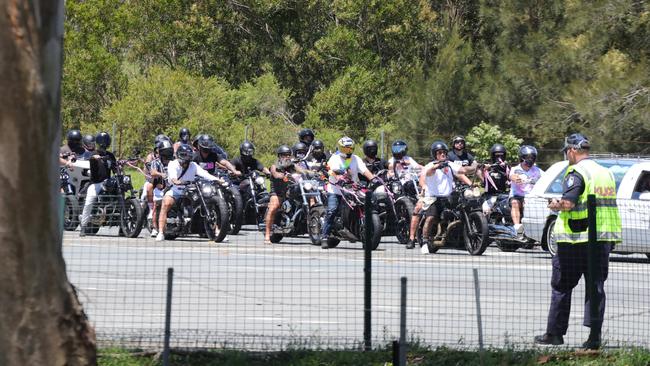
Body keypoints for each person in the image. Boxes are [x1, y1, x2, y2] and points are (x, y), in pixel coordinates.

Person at [535, 133, 621, 350]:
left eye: (566, 152)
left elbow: (569, 203)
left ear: (572, 150)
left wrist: (555, 204)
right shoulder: (605, 173)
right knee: (595, 288)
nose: (566, 156)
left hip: (575, 241)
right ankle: (594, 337)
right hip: (601, 239)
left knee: (561, 286)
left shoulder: (576, 172)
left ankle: (554, 333)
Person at [405, 141, 470, 250]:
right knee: (419, 209)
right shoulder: (429, 166)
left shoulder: (450, 165)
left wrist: (473, 176)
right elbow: (425, 177)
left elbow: (461, 172)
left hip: (448, 196)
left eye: (444, 152)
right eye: (440, 153)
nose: (443, 154)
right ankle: (412, 238)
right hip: (431, 196)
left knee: (464, 205)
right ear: (435, 154)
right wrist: (425, 186)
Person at [321, 137, 379, 249]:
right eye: (345, 148)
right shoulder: (335, 158)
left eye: (350, 148)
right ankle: (325, 236)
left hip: (352, 189)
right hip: (336, 189)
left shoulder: (356, 158)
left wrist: (373, 179)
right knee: (332, 210)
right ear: (340, 148)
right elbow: (332, 171)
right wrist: (339, 177)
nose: (348, 151)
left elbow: (365, 171)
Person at [156, 144, 219, 241]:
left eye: (189, 156)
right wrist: (176, 181)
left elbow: (204, 174)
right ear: (179, 156)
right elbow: (172, 176)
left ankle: (217, 231)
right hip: (175, 189)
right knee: (166, 202)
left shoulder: (193, 165)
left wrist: (217, 180)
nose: (187, 159)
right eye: (185, 156)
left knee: (207, 200)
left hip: (191, 189)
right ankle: (160, 232)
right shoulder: (173, 164)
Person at [264, 145, 308, 244]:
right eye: (284, 155)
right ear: (279, 156)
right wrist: (284, 176)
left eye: (288, 155)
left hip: (289, 191)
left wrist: (313, 173)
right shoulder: (274, 166)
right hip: (277, 192)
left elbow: (302, 171)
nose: (287, 157)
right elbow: (275, 174)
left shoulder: (291, 165)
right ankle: (267, 235)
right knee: (273, 207)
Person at [79, 132, 117, 236]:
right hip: (96, 183)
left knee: (120, 190)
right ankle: (83, 225)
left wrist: (119, 167)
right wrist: (96, 158)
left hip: (108, 182)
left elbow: (115, 168)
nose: (104, 144)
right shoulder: (94, 154)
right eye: (103, 142)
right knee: (89, 200)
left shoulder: (110, 155)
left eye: (106, 141)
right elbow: (91, 158)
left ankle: (123, 226)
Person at [509, 145, 544, 237]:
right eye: (528, 157)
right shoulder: (515, 169)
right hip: (516, 195)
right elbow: (512, 176)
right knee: (515, 203)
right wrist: (517, 179)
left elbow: (547, 177)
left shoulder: (538, 171)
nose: (530, 159)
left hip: (530, 197)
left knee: (528, 204)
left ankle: (531, 229)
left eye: (532, 157)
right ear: (522, 158)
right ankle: (517, 227)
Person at [148, 139, 174, 237]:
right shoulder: (156, 162)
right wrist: (161, 174)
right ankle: (155, 228)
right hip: (160, 187)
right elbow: (153, 172)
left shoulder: (174, 161)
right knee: (157, 205)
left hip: (172, 187)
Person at [477, 143, 510, 214]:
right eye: (497, 155)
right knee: (486, 208)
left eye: (501, 155)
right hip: (490, 195)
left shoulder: (506, 168)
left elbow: (511, 178)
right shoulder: (487, 167)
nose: (499, 157)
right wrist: (484, 169)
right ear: (493, 155)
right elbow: (479, 172)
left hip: (504, 195)